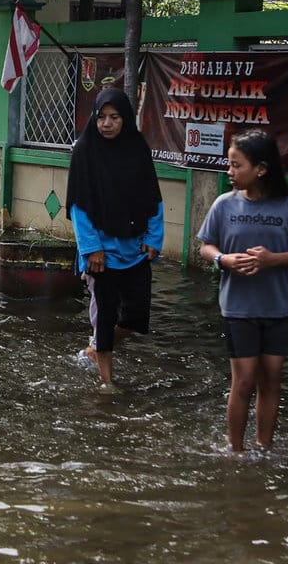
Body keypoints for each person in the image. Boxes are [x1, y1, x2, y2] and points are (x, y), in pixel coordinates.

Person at [196, 129, 288, 453]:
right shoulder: (224, 205)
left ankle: (264, 447)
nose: (230, 171)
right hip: (238, 308)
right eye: (229, 164)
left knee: (271, 378)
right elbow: (206, 246)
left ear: (261, 169)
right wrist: (223, 259)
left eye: (237, 165)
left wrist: (272, 260)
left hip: (277, 307)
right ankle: (235, 450)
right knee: (244, 379)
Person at [65, 87, 164, 393]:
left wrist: (154, 237)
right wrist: (92, 248)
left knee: (136, 316)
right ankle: (107, 383)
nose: (106, 124)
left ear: (126, 119)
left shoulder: (137, 148)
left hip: (135, 248)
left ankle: (94, 350)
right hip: (102, 252)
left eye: (114, 117)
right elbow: (79, 206)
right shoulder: (85, 150)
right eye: (101, 117)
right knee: (106, 315)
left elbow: (153, 196)